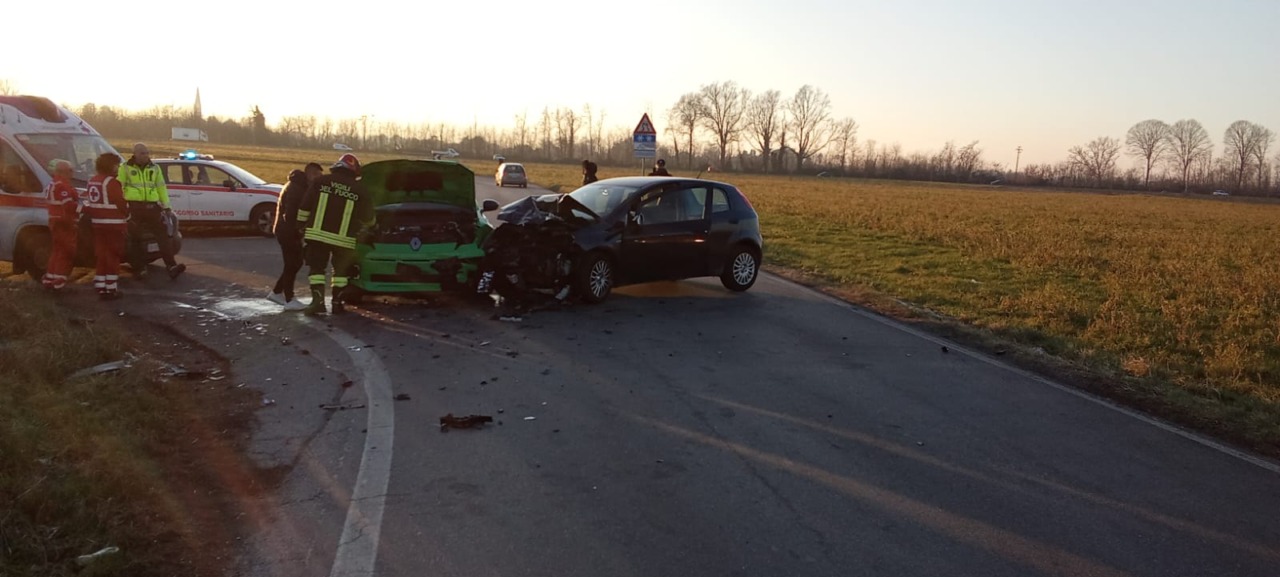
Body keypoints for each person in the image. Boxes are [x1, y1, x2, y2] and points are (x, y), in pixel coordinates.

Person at [295, 154, 373, 316]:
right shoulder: (360, 190)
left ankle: (318, 303)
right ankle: (337, 303)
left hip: (318, 236)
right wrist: (371, 226)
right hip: (344, 240)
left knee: (317, 270)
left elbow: (304, 206)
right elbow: (368, 218)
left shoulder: (320, 181)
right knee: (341, 273)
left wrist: (300, 226)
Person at [118, 142, 185, 279]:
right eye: (142, 153)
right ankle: (140, 268)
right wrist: (122, 207)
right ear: (135, 154)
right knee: (135, 238)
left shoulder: (155, 168)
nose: (145, 155)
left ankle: (171, 266)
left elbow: (161, 188)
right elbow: (120, 187)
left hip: (152, 206)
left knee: (163, 236)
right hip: (134, 207)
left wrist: (167, 207)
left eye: (147, 152)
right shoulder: (125, 168)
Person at [268, 162, 323, 311]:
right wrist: (298, 230)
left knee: (294, 262)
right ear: (310, 174)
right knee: (293, 262)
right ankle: (289, 298)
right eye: (317, 175)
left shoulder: (299, 185)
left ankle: (277, 292)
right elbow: (291, 213)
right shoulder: (296, 188)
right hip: (287, 231)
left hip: (287, 230)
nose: (319, 178)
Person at [85, 153, 129, 300]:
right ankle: (111, 288)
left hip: (97, 225)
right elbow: (121, 203)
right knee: (113, 257)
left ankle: (101, 286)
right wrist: (128, 214)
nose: (118, 168)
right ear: (110, 165)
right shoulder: (112, 182)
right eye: (116, 165)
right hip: (114, 226)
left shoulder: (92, 181)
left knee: (102, 256)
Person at [41, 159, 81, 290]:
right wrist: (83, 208)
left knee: (57, 250)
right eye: (70, 170)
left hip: (55, 221)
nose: (72, 173)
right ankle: (59, 280)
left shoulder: (52, 184)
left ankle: (50, 277)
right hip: (65, 223)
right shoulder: (62, 185)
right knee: (66, 251)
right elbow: (69, 205)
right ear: (63, 172)